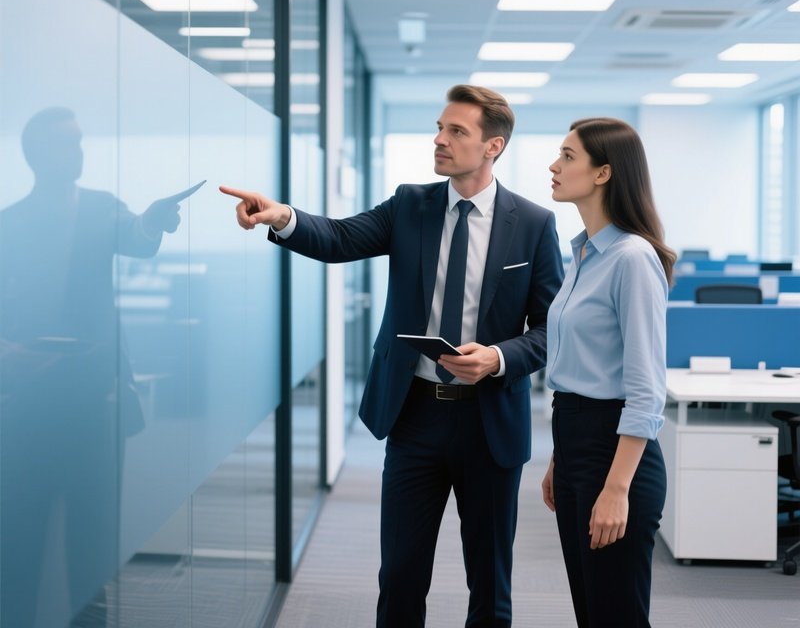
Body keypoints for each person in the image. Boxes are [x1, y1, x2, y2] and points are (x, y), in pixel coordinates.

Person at [221, 84, 563, 627]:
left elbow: (551, 330)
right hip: (415, 416)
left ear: (493, 146)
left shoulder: (535, 224)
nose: (440, 140)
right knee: (400, 576)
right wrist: (282, 215)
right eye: (439, 127)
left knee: (490, 581)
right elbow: (337, 238)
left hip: (489, 420)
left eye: (456, 131)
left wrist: (498, 357)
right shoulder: (411, 205)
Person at [0, 107, 183, 626]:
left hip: (92, 398)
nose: (78, 152)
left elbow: (137, 239)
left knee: (93, 539)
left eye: (79, 142)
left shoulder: (103, 208)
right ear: (35, 155)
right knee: (18, 537)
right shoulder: (10, 223)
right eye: (66, 143)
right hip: (24, 402)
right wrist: (8, 356)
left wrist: (151, 221)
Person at [540, 117, 675, 628]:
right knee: (591, 612)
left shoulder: (631, 259)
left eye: (568, 156)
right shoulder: (582, 255)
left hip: (615, 453)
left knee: (615, 615)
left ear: (603, 173)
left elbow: (644, 391)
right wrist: (561, 457)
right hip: (576, 440)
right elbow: (582, 370)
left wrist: (617, 488)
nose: (555, 166)